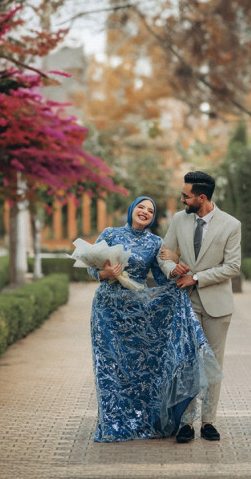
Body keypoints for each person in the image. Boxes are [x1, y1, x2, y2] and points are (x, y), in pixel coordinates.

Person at [87, 196, 222, 443]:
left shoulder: (154, 243)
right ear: (131, 209)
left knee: (141, 370)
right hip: (107, 312)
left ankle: (144, 420)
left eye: (150, 210)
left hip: (137, 314)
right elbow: (90, 266)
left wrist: (179, 273)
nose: (145, 212)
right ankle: (113, 424)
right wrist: (104, 273)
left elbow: (162, 280)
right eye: (141, 207)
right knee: (110, 368)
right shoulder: (109, 233)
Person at [158, 171, 242, 443]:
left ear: (202, 197)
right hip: (185, 303)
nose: (182, 199)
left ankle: (208, 421)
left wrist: (196, 277)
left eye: (186, 195)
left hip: (218, 305)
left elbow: (233, 266)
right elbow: (164, 254)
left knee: (213, 364)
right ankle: (186, 422)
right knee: (186, 363)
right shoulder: (179, 220)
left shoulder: (231, 225)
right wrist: (173, 270)